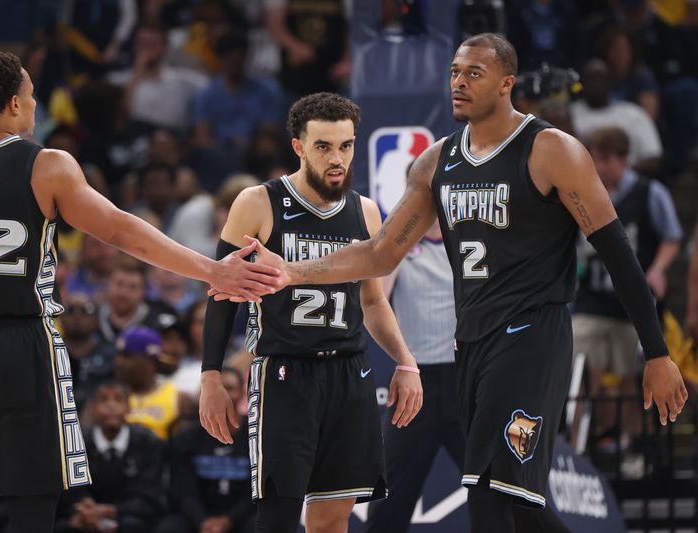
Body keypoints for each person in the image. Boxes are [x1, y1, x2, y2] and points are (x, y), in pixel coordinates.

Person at [218, 34, 688, 533]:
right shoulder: (438, 161)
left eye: (474, 74)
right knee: (521, 505)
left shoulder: (552, 151)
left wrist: (656, 352)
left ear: (507, 84)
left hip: (533, 336)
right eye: (455, 72)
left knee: (489, 496)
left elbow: (618, 254)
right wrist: (292, 271)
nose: (459, 83)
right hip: (473, 345)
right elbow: (380, 253)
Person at [0, 51, 278, 533]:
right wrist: (210, 270)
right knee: (33, 505)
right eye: (34, 98)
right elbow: (121, 230)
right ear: (15, 103)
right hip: (22, 344)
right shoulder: (46, 166)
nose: (36, 108)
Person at [200, 92, 423, 533]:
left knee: (331, 519)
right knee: (279, 518)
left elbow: (373, 300)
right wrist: (210, 376)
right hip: (284, 374)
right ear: (298, 146)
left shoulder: (366, 212)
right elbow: (219, 292)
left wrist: (405, 360)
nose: (337, 158)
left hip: (349, 374)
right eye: (323, 146)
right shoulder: (257, 203)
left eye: (346, 145)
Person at [573, 127, 682, 449]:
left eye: (605, 159)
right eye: (595, 159)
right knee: (581, 373)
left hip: (630, 305)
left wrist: (659, 269)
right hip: (590, 298)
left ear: (623, 159)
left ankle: (630, 444)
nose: (600, 166)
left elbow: (672, 236)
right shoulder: (581, 190)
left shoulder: (650, 192)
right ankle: (578, 444)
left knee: (627, 380)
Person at [364, 219, 464, 533]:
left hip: (462, 381)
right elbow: (375, 297)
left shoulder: (464, 244)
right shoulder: (400, 250)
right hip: (415, 384)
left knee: (494, 487)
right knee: (391, 493)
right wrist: (401, 242)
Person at [55, 380, 166, 533]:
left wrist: (109, 511)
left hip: (131, 518)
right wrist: (84, 509)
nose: (111, 405)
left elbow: (150, 496)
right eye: (103, 399)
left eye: (118, 399)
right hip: (86, 517)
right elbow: (70, 492)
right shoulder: (76, 444)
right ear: (92, 408)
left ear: (129, 407)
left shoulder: (149, 443)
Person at [165, 367, 255, 533]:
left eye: (229, 388)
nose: (222, 395)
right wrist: (203, 521)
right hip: (198, 515)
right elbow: (183, 490)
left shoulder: (256, 436)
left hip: (243, 516)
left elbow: (256, 492)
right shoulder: (186, 437)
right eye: (217, 388)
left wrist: (228, 520)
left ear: (242, 394)